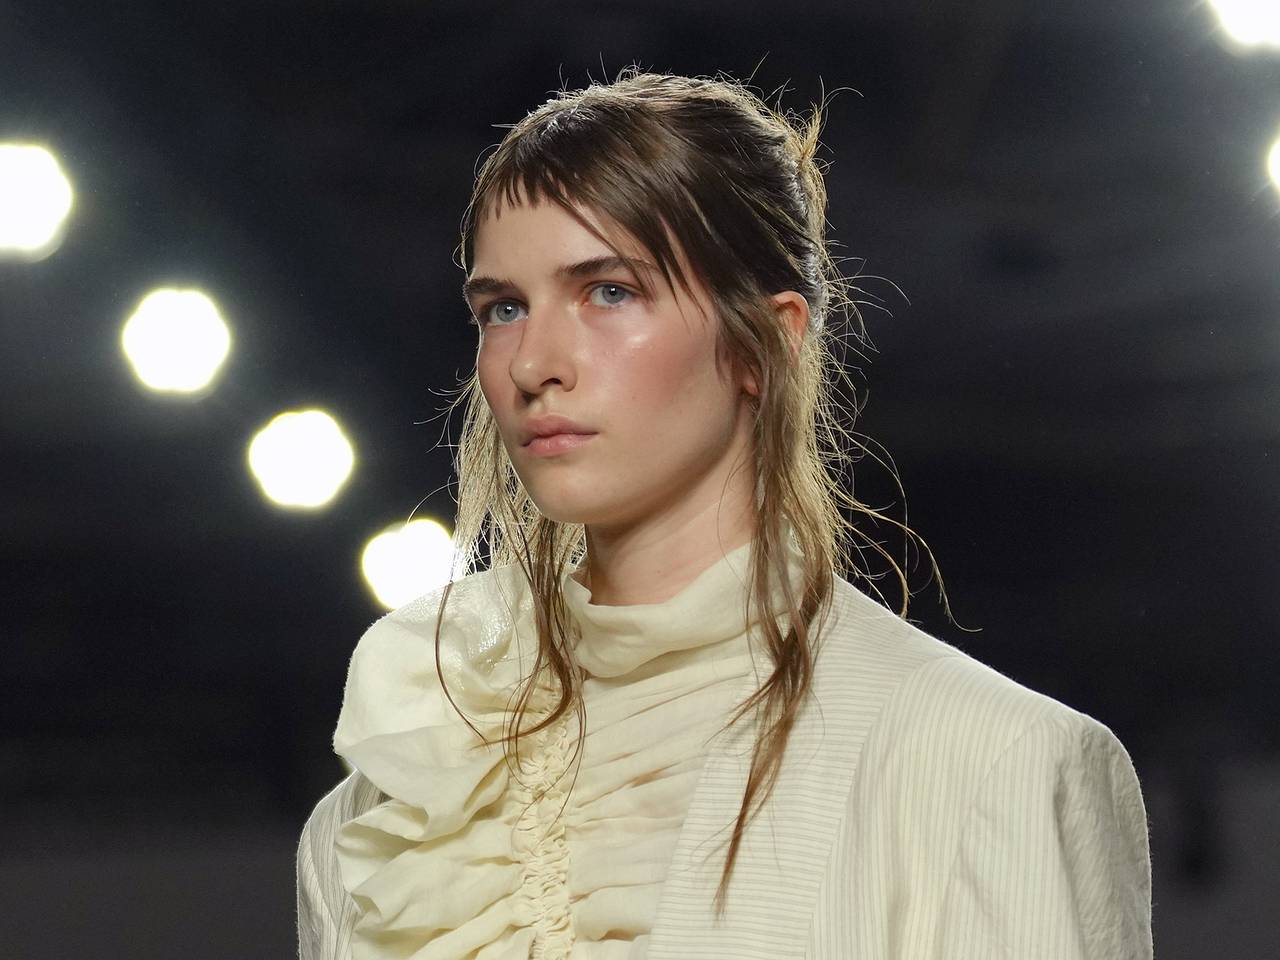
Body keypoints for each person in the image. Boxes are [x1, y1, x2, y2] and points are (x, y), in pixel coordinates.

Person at [296, 71, 1153, 959]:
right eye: (503, 308)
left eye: (610, 290)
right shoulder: (389, 817)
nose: (532, 364)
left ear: (767, 340)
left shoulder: (995, 763)